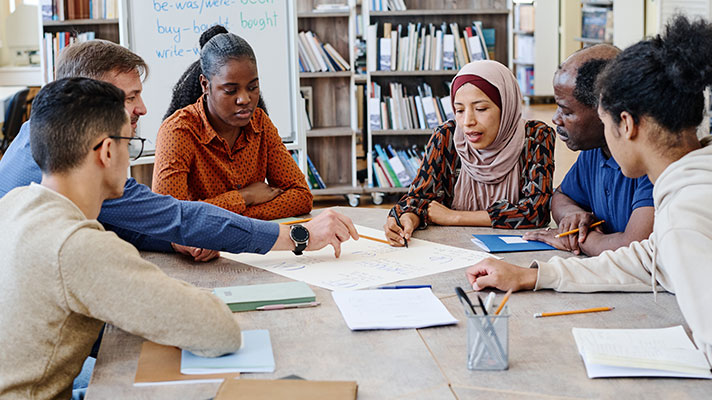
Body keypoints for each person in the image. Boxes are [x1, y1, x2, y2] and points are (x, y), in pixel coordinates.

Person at [466, 15, 712, 360]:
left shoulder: (686, 213)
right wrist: (534, 275)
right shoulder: (694, 179)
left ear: (624, 123)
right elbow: (646, 261)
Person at [0, 40, 357, 260]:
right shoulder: (72, 162)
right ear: (87, 101)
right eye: (129, 98)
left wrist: (176, 243)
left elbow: (128, 223)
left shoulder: (35, 137)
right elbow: (177, 215)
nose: (142, 109)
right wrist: (300, 236)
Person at [0, 77, 243, 399]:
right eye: (130, 144)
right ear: (107, 151)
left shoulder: (12, 206)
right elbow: (219, 332)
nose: (130, 156)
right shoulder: (76, 244)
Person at [385, 60, 555, 246]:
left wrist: (454, 217)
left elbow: (536, 211)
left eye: (481, 109)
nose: (467, 121)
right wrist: (408, 218)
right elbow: (419, 199)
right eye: (459, 110)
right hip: (452, 251)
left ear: (506, 106)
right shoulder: (447, 137)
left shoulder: (536, 136)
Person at [153, 30, 312, 220]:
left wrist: (236, 219)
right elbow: (169, 217)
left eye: (253, 88)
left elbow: (302, 196)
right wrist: (246, 196)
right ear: (205, 85)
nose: (245, 99)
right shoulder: (178, 131)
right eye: (230, 91)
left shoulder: (260, 122)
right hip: (200, 248)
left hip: (253, 244)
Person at [521, 45, 654, 256]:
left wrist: (580, 240)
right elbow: (562, 195)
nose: (555, 119)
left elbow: (635, 248)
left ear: (605, 110)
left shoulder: (652, 162)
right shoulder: (595, 150)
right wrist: (572, 215)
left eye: (566, 111)